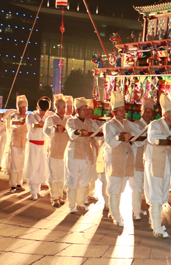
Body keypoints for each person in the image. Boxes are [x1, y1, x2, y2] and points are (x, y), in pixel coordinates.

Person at [145, 93, 171, 238]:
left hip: (165, 163)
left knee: (162, 193)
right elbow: (153, 137)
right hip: (155, 163)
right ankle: (157, 227)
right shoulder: (155, 124)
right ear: (165, 114)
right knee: (155, 194)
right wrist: (169, 138)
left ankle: (153, 221)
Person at [104, 91, 140, 227]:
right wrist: (121, 136)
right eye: (119, 111)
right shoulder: (109, 125)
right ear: (113, 112)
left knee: (121, 188)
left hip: (126, 160)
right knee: (114, 188)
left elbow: (137, 133)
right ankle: (116, 216)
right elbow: (110, 141)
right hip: (114, 160)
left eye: (123, 110)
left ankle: (115, 211)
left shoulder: (127, 123)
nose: (122, 113)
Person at [65, 97, 101, 213]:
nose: (86, 112)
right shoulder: (71, 121)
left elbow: (99, 133)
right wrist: (78, 132)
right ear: (77, 111)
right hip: (74, 153)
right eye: (83, 109)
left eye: (87, 109)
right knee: (73, 179)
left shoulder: (90, 122)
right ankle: (71, 205)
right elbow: (71, 132)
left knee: (85, 180)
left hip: (88, 154)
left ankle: (80, 203)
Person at [128, 96, 154, 221]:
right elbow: (138, 142)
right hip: (137, 158)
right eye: (146, 111)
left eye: (150, 112)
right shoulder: (135, 125)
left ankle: (138, 208)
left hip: (149, 159)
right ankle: (136, 212)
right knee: (136, 186)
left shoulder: (154, 126)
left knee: (145, 186)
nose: (148, 114)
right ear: (141, 112)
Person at [24, 97, 53, 200]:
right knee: (33, 167)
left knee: (41, 167)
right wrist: (39, 124)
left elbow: (50, 130)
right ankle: (33, 191)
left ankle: (38, 189)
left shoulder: (48, 118)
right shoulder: (31, 116)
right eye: (41, 110)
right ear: (38, 108)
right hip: (33, 145)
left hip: (43, 146)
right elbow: (32, 129)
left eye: (45, 110)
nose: (43, 112)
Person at [43, 96, 71, 207]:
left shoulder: (69, 119)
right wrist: (55, 128)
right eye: (59, 107)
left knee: (62, 176)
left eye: (64, 107)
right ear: (56, 108)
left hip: (65, 152)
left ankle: (60, 196)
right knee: (53, 175)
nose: (62, 110)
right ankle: (54, 198)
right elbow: (46, 130)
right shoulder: (51, 119)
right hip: (53, 152)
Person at [7, 96, 29, 193]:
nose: (22, 109)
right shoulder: (14, 116)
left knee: (22, 164)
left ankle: (19, 183)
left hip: (25, 143)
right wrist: (20, 122)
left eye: (24, 107)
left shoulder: (29, 117)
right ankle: (13, 185)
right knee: (15, 164)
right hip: (15, 143)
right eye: (20, 107)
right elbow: (13, 123)